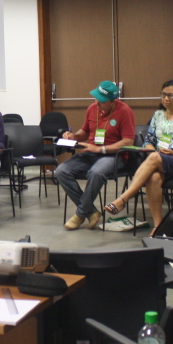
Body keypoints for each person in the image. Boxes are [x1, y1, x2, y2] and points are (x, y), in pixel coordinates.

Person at [104, 80, 173, 230]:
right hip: (160, 159)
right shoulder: (158, 115)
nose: (166, 99)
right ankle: (158, 226)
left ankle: (123, 199)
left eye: (171, 95)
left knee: (155, 158)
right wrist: (154, 152)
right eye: (163, 95)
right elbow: (148, 141)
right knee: (153, 178)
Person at [54, 80, 135, 231]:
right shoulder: (92, 108)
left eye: (102, 100)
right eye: (96, 98)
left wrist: (100, 149)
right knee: (61, 171)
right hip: (90, 153)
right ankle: (91, 211)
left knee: (96, 172)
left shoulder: (125, 111)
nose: (97, 102)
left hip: (114, 156)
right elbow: (84, 132)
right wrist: (73, 136)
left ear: (113, 101)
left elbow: (128, 141)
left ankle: (80, 214)